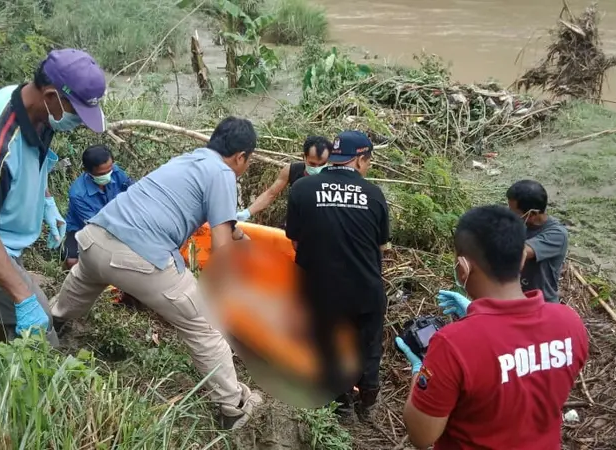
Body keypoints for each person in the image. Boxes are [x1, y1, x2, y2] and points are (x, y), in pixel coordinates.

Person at [49, 116, 263, 430]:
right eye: (247, 161)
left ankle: (49, 326)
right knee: (204, 328)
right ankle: (232, 408)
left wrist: (237, 235)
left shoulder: (189, 159)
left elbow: (216, 224)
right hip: (138, 257)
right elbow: (221, 246)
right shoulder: (223, 173)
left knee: (80, 283)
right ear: (241, 156)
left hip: (95, 238)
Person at [0, 48, 108, 344]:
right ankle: (37, 383)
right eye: (77, 113)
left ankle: (1, 345)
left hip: (2, 231)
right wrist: (24, 299)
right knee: (38, 325)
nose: (79, 122)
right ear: (51, 96)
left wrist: (46, 201)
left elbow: (28, 159)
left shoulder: (32, 106)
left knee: (6, 307)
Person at [395, 205, 588, 449]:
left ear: (463, 268)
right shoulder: (569, 322)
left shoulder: (451, 345)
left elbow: (422, 437)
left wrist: (419, 372)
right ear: (521, 258)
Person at [285, 130, 390, 423]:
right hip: (365, 288)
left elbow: (294, 240)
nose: (367, 167)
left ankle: (341, 403)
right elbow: (381, 246)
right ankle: (368, 400)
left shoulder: (302, 189)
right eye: (368, 161)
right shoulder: (374, 194)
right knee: (368, 343)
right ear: (358, 160)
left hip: (320, 290)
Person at [62, 144, 134, 270]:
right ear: (87, 171)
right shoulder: (78, 194)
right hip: (84, 227)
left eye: (109, 169)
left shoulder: (116, 172)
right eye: (102, 173)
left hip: (118, 220)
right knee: (72, 262)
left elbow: (132, 190)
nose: (108, 174)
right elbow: (96, 226)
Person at [236, 135, 331, 225]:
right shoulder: (292, 170)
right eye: (312, 164)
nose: (317, 168)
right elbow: (270, 194)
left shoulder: (334, 176)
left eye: (322, 164)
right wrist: (247, 212)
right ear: (304, 157)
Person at [506, 180, 568, 303]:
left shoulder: (557, 235)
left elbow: (522, 251)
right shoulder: (520, 223)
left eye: (515, 213)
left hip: (542, 303)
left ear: (532, 213)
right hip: (518, 299)